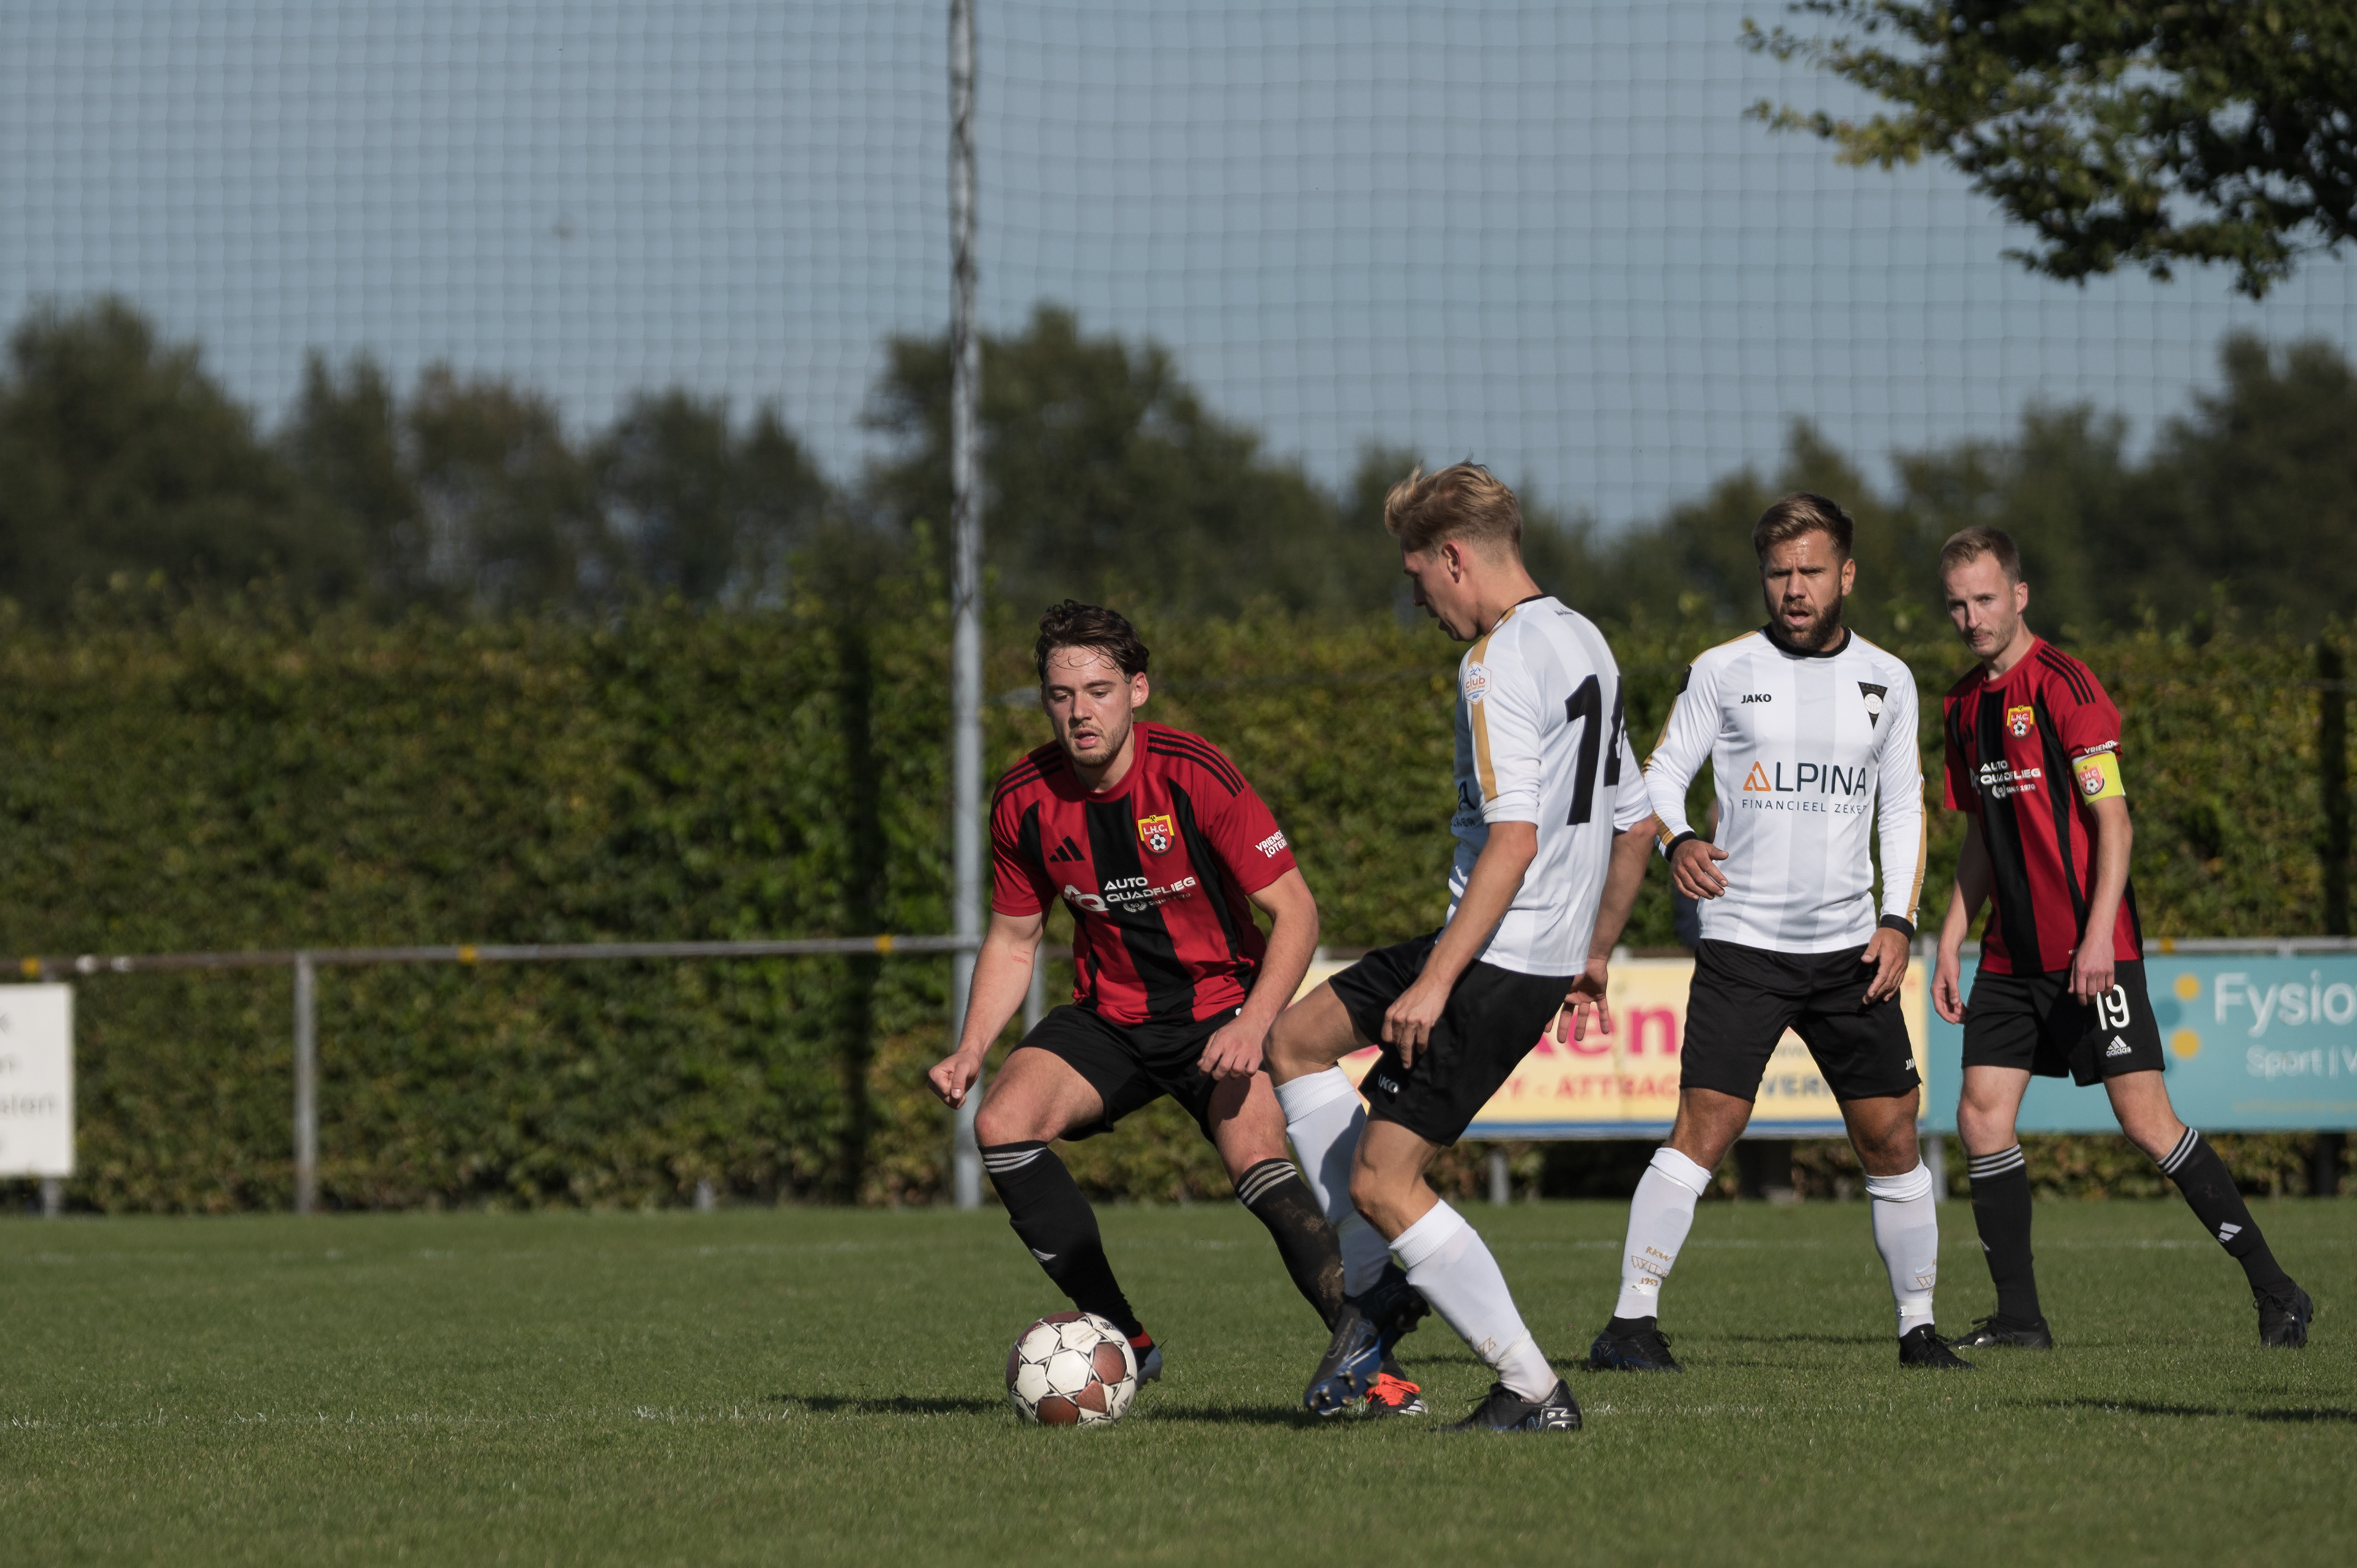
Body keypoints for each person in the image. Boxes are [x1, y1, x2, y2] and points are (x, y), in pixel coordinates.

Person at [928, 601, 1416, 1398]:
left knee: (1256, 1159)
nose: (1080, 712)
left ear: (1138, 690)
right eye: (1062, 694)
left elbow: (1297, 912)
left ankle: (1378, 1373)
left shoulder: (1194, 773)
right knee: (1002, 1124)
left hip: (1223, 1008)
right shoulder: (1023, 796)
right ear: (1045, 699)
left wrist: (1255, 1024)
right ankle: (1126, 1339)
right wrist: (971, 1047)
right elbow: (1016, 938)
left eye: (1099, 691)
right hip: (1111, 1017)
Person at [1266, 462, 1656, 1432]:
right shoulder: (1585, 639)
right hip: (1518, 950)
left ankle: (1533, 1389)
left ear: (1452, 558)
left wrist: (1438, 981)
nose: (1417, 602)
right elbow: (1638, 823)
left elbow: (1514, 841)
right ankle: (1374, 1294)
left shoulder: (1494, 661)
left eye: (1415, 578)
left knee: (1382, 1180)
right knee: (1295, 1041)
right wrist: (1595, 954)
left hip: (1491, 959)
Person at [1583, 492, 1965, 1373]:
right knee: (1706, 1127)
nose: (1795, 589)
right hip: (1744, 944)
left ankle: (1919, 1330)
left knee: (1892, 1135)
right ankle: (1629, 1327)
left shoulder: (1890, 679)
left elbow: (1903, 810)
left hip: (1852, 952)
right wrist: (1679, 839)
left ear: (1847, 575)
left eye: (1812, 571)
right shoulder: (1722, 669)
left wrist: (1899, 921)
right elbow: (1660, 777)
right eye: (1779, 573)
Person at [1932, 527, 2312, 1350]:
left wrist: (2099, 936)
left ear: (2019, 595)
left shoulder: (2066, 686)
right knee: (1981, 1118)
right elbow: (1979, 840)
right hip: (2008, 957)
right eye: (1958, 605)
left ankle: (2279, 1292)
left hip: (2090, 953)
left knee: (2146, 1123)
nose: (1973, 618)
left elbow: (2115, 822)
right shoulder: (1961, 708)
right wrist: (1950, 939)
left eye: (1986, 599)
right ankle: (2021, 1322)